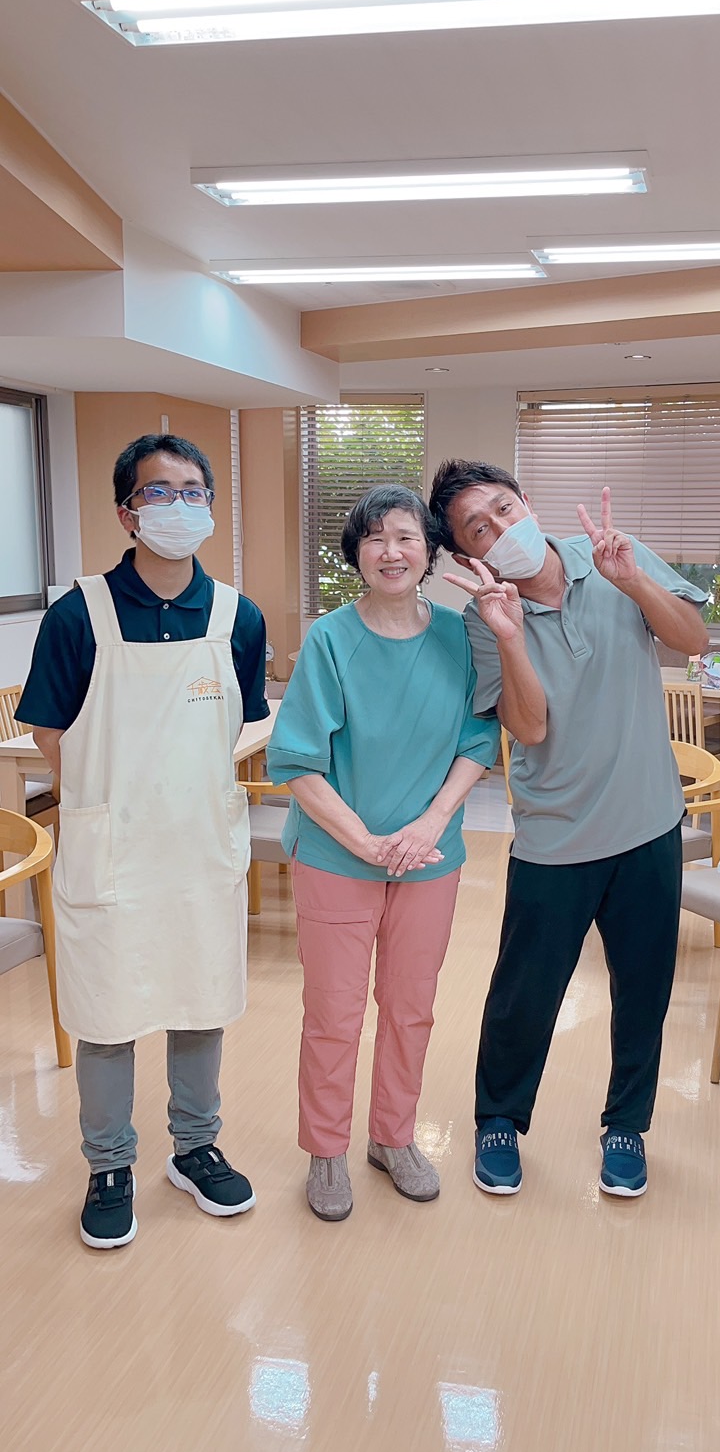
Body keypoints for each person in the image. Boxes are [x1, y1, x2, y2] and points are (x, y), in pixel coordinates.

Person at [428, 459, 709, 1200]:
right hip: (554, 837)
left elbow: (693, 640)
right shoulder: (480, 619)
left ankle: (627, 1126)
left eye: (502, 509)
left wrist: (634, 582)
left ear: (526, 501)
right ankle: (498, 1119)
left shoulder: (609, 554)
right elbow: (529, 727)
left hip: (648, 824)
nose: (499, 528)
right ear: (468, 555)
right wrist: (511, 636)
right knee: (525, 993)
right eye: (477, 530)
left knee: (644, 990)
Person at [16, 434, 266, 1250]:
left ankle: (195, 1149)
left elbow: (240, 722)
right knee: (106, 1011)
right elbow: (52, 732)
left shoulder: (237, 616)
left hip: (198, 847)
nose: (178, 505)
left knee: (201, 1001)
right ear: (127, 512)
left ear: (210, 507)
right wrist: (109, 798)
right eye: (158, 492)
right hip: (115, 850)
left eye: (194, 491)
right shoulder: (78, 614)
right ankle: (110, 1165)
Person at [266, 484, 500, 1222]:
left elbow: (478, 740)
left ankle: (393, 1138)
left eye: (406, 536)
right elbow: (297, 759)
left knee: (410, 1008)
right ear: (356, 554)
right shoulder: (331, 640)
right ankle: (326, 1151)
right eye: (375, 538)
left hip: (428, 857)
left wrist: (430, 824)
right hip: (337, 856)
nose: (391, 551)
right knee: (333, 1014)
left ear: (430, 550)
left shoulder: (461, 635)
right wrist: (365, 841)